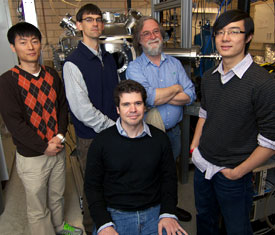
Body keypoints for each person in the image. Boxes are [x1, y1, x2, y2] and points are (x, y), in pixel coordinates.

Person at [190, 9, 275, 235]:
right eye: (220, 32)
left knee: (237, 229)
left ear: (248, 37)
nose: (225, 38)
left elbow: (270, 140)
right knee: (205, 222)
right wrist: (195, 148)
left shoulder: (263, 83)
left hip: (233, 175)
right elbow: (205, 114)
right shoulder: (209, 77)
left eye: (234, 31)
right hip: (203, 167)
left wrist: (238, 172)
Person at [0, 22, 82, 235]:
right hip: (32, 156)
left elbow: (62, 108)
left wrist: (60, 137)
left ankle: (59, 227)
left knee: (57, 196)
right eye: (23, 42)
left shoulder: (52, 74)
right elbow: (14, 124)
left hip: (57, 148)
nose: (30, 47)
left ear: (40, 44)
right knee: (37, 206)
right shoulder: (7, 81)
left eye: (34, 41)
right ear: (13, 47)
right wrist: (43, 146)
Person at [84, 79, 188, 235]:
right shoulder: (101, 142)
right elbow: (92, 187)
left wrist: (167, 213)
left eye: (138, 103)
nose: (133, 109)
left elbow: (169, 179)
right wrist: (104, 223)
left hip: (154, 212)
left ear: (144, 107)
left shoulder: (160, 139)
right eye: (126, 104)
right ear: (118, 109)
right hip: (116, 215)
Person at [126, 16, 196, 222]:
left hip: (173, 133)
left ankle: (170, 209)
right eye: (146, 33)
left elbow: (190, 94)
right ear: (139, 40)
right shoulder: (135, 68)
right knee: (148, 176)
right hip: (147, 134)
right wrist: (176, 89)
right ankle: (151, 215)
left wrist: (160, 96)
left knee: (169, 174)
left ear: (162, 35)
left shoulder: (174, 63)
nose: (152, 36)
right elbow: (146, 98)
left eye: (156, 31)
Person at [63, 4, 118, 234]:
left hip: (115, 132)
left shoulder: (109, 57)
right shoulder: (73, 63)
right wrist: (113, 125)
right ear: (79, 25)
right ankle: (91, 228)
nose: (95, 23)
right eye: (88, 19)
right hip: (91, 138)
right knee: (92, 187)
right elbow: (82, 110)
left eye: (98, 19)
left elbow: (117, 94)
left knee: (114, 181)